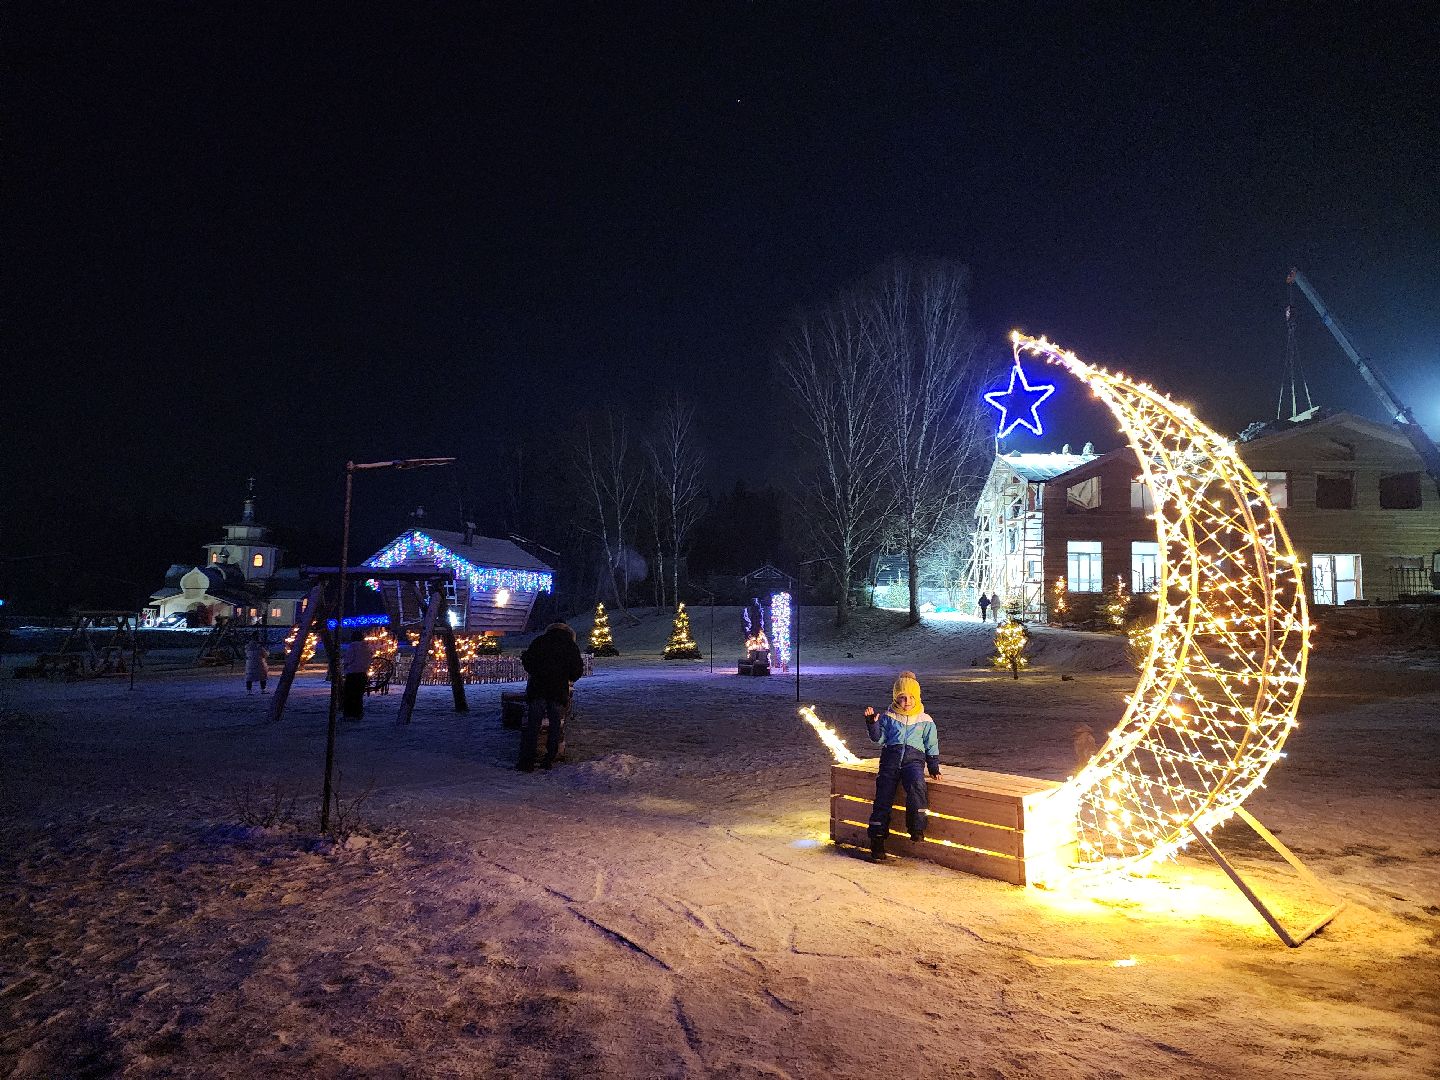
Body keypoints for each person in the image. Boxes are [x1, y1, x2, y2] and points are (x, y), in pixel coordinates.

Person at [862, 671, 941, 862]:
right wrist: (872, 724)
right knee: (883, 798)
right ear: (895, 698)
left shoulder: (925, 720)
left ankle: (916, 827)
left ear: (917, 697)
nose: (906, 701)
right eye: (902, 697)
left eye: (910, 697)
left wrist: (933, 766)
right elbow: (878, 739)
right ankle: (877, 841)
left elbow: (931, 744)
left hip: (913, 761)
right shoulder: (889, 717)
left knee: (917, 786)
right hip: (890, 760)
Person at [518, 621, 585, 772]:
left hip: (538, 688)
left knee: (533, 724)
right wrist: (569, 677)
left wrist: (537, 673)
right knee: (555, 724)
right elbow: (577, 668)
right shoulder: (569, 645)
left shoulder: (539, 641)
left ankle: (527, 759)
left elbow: (527, 660)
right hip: (557, 690)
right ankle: (549, 758)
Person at [339, 630, 373, 719]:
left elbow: (349, 659)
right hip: (363, 673)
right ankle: (358, 713)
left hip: (352, 673)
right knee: (358, 695)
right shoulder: (367, 647)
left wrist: (345, 665)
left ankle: (349, 713)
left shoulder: (353, 646)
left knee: (349, 694)